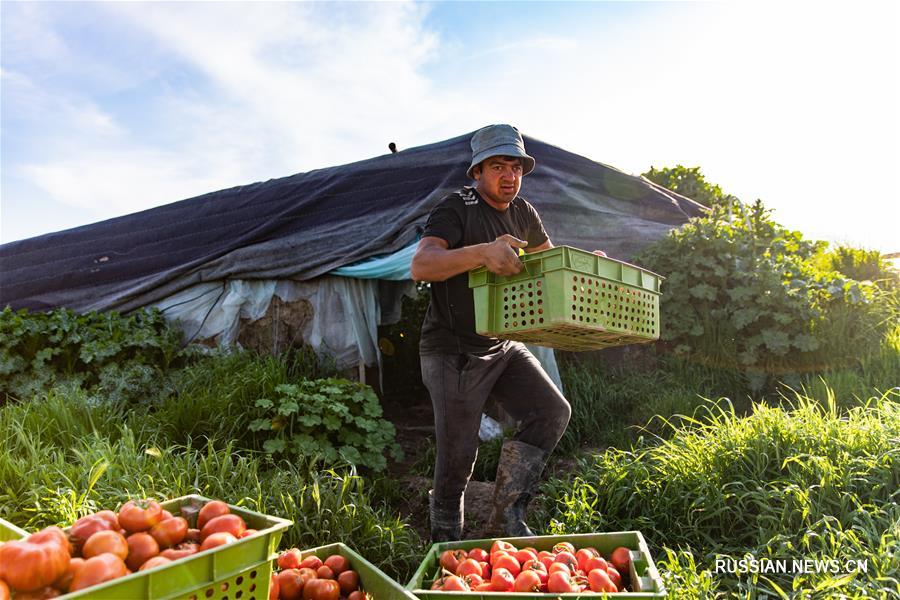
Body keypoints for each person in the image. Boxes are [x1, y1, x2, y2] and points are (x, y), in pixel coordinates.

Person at [410, 124, 572, 542]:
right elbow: (422, 265)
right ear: (477, 172)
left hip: (501, 345)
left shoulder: (524, 213)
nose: (509, 176)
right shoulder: (455, 208)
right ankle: (445, 542)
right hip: (452, 349)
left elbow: (549, 264)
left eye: (515, 167)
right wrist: (482, 253)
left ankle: (507, 516)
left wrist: (582, 265)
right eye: (498, 166)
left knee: (551, 411)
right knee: (458, 454)